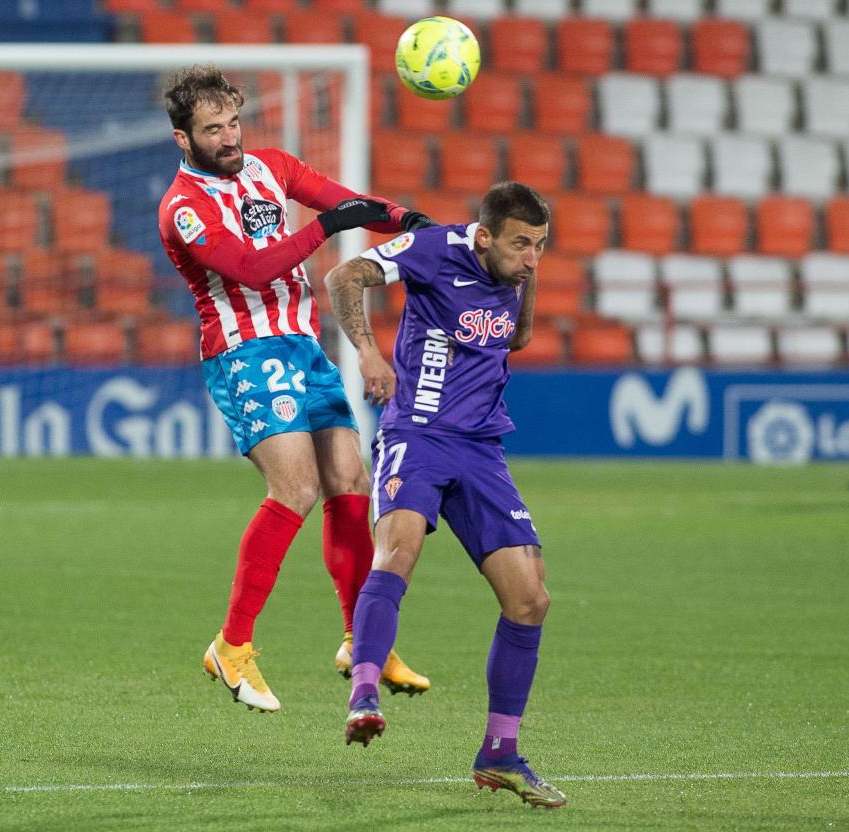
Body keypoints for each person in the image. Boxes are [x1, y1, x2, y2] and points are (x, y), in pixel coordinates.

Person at [157, 64, 430, 713]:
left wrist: (415, 222)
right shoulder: (183, 210)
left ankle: (363, 643)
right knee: (298, 487)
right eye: (211, 129)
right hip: (244, 352)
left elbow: (342, 197)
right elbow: (250, 270)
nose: (229, 138)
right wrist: (328, 229)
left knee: (350, 482)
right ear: (183, 139)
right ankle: (232, 646)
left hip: (304, 346)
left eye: (232, 122)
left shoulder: (270, 166)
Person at [324, 182, 567, 809]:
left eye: (540, 246)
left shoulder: (516, 267)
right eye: (521, 245)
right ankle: (366, 692)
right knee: (397, 551)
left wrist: (525, 270)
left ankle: (499, 754)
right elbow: (344, 276)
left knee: (530, 599)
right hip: (419, 434)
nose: (532, 258)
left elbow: (516, 337)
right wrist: (371, 357)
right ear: (483, 235)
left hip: (482, 448)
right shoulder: (436, 248)